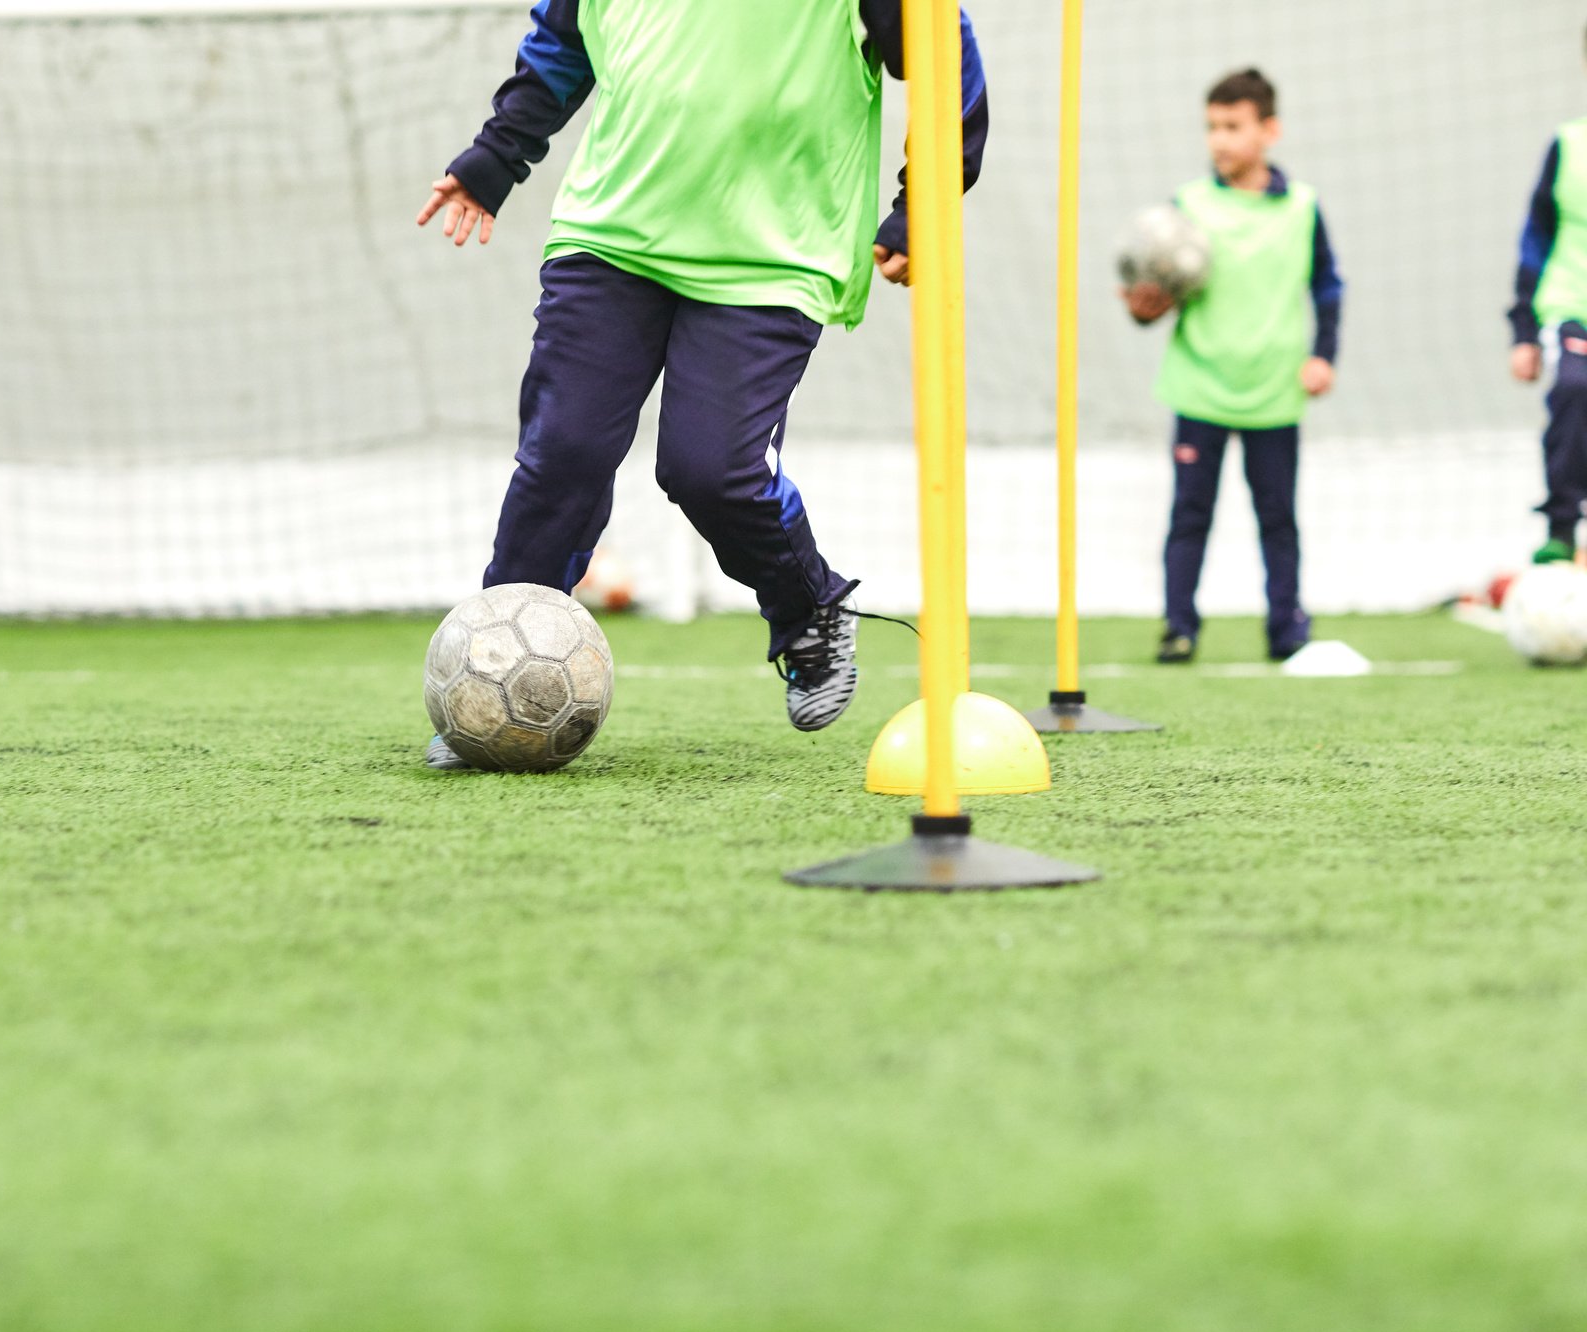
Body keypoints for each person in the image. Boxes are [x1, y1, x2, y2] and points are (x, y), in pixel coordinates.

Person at [416, 1, 988, 767]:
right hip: (612, 231)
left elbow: (946, 55)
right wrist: (496, 157)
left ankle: (807, 606)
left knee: (710, 468)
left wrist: (924, 202)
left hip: (775, 252)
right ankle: (491, 691)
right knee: (563, 451)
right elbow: (562, 46)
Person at [1125, 69, 1343, 665]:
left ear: (1268, 130)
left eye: (1232, 126)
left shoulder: (1302, 207)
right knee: (1190, 514)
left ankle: (1286, 624)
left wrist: (1323, 355)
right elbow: (1157, 292)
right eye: (1211, 127)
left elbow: (1327, 286)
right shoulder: (1187, 207)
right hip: (1199, 388)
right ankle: (1179, 626)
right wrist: (1145, 307)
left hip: (1274, 390)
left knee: (1277, 516)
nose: (1219, 140)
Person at [1508, 26, 1587, 567]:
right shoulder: (1568, 145)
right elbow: (1535, 240)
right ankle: (1562, 524)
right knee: (1576, 389)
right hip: (1570, 308)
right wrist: (1522, 332)